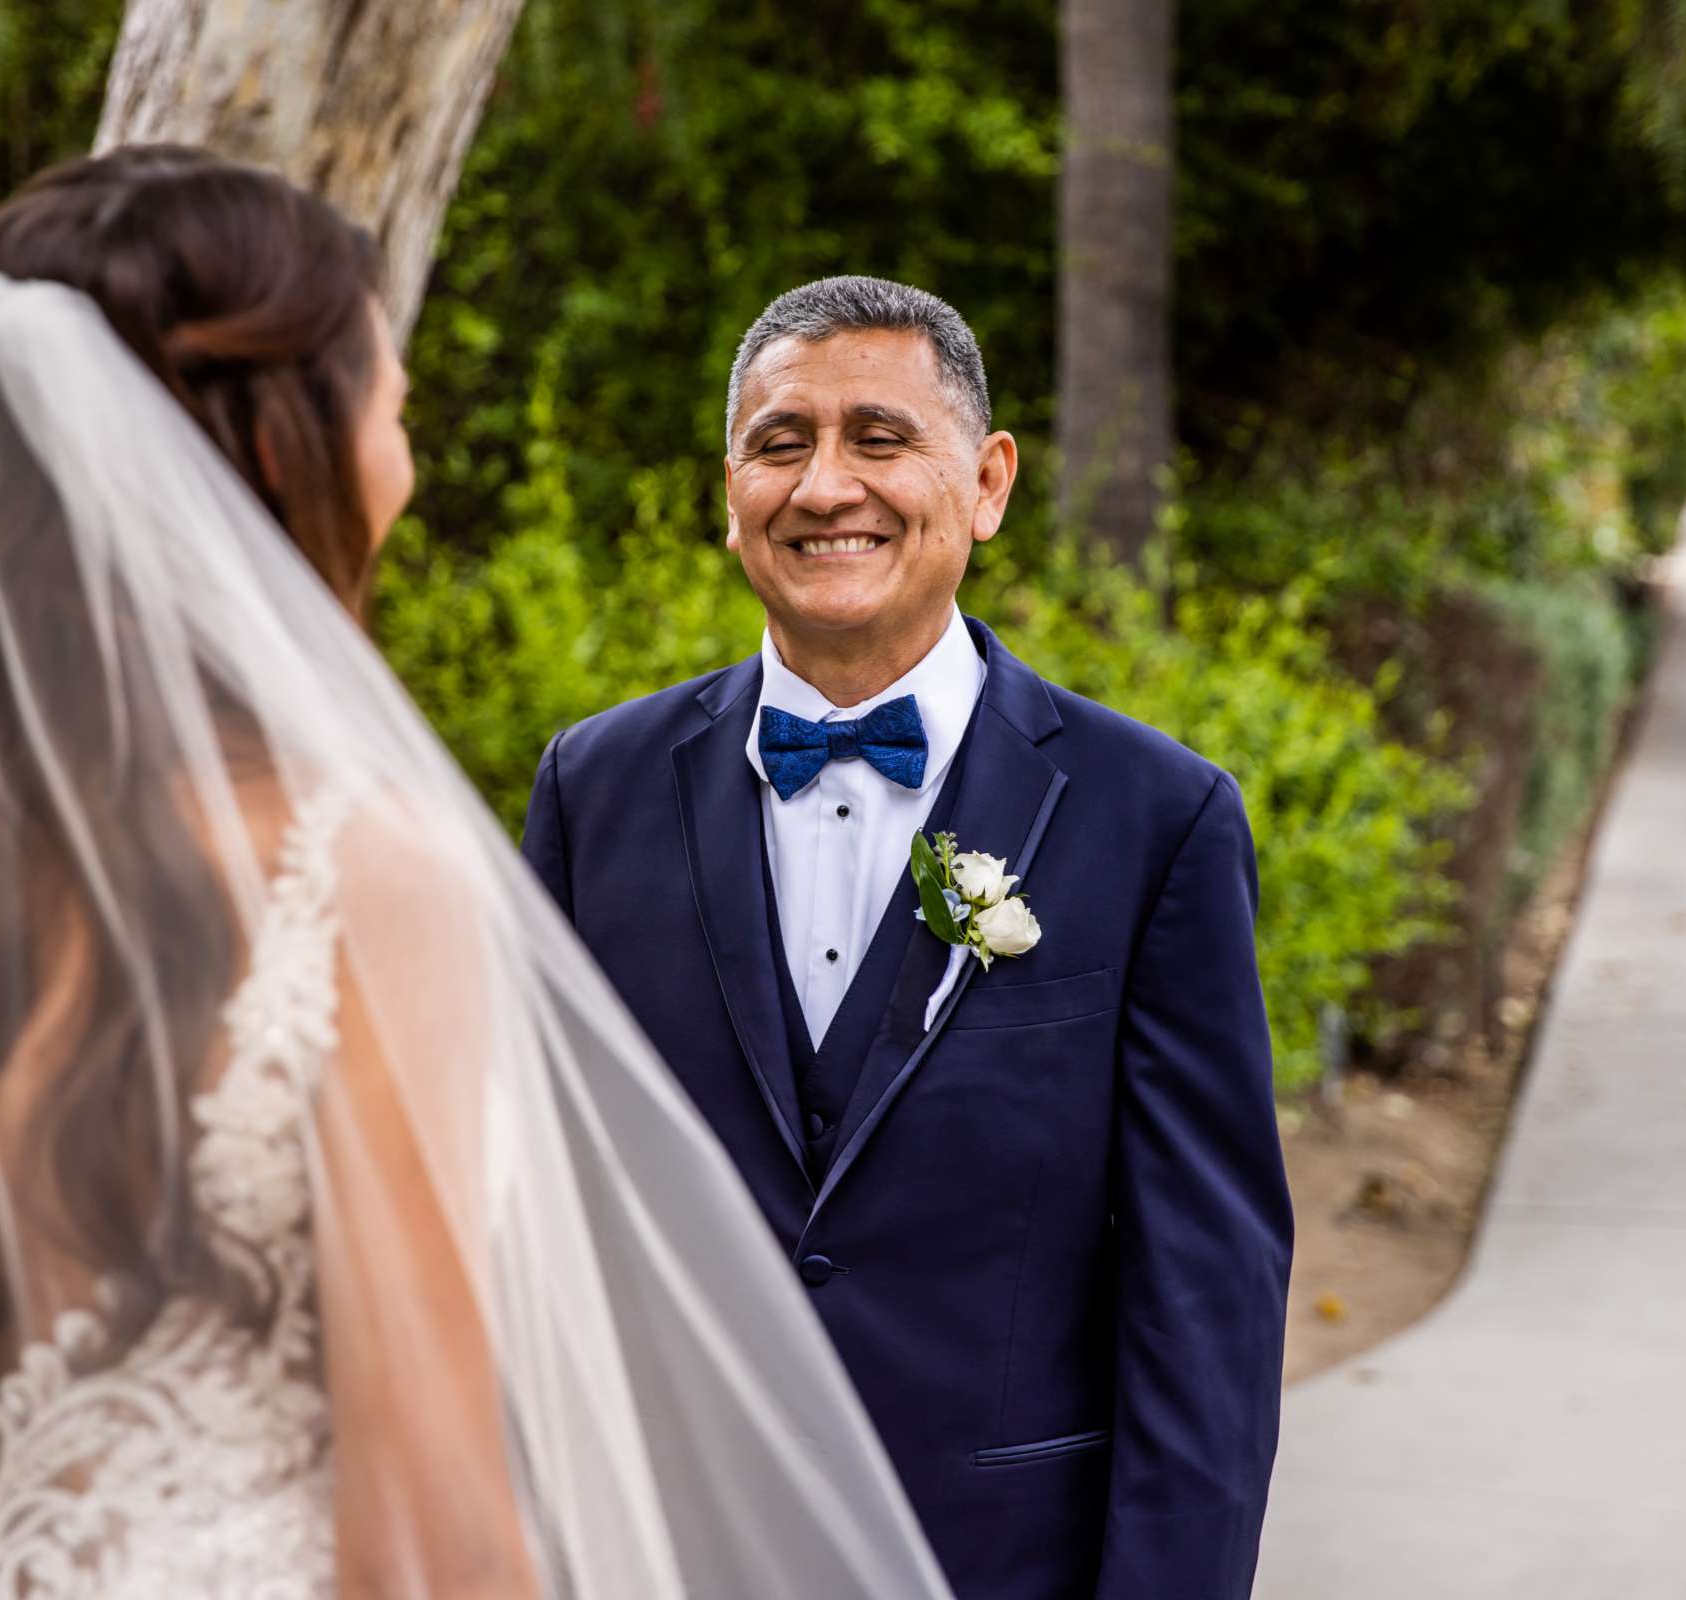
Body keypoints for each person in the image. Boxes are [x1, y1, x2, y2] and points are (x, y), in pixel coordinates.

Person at [0, 151, 956, 1600]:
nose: (403, 407)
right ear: (285, 441)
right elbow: (431, 1544)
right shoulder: (352, 878)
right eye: (381, 372)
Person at [521, 277, 1294, 1600]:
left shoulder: (1155, 818)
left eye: (880, 439)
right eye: (781, 444)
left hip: (998, 1561)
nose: (826, 487)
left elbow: (1204, 1303)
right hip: (665, 1549)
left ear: (987, 483)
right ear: (729, 491)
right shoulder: (595, 791)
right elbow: (536, 1210)